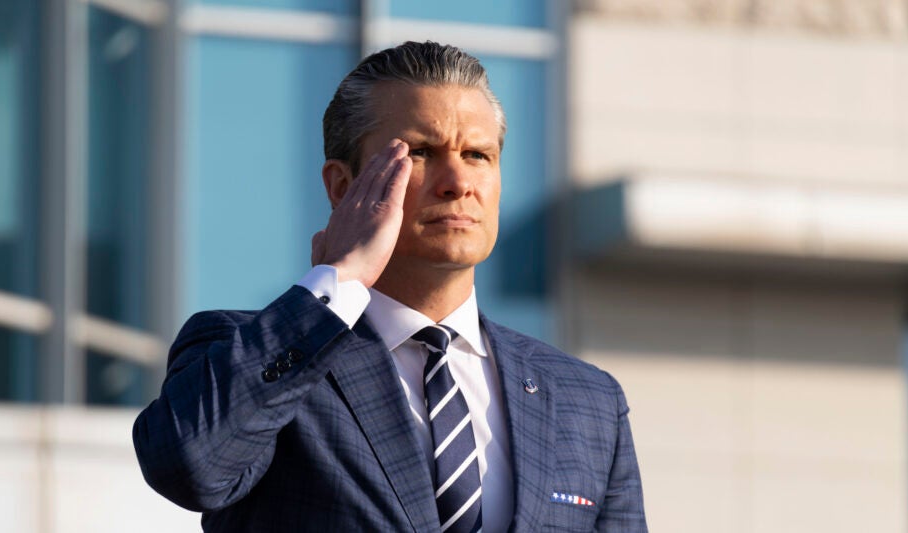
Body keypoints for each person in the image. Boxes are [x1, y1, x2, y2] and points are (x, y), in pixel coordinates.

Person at [133, 41, 647, 532]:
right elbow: (189, 467)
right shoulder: (249, 350)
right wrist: (341, 277)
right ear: (342, 186)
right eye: (421, 152)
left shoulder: (587, 399)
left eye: (477, 155)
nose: (458, 182)